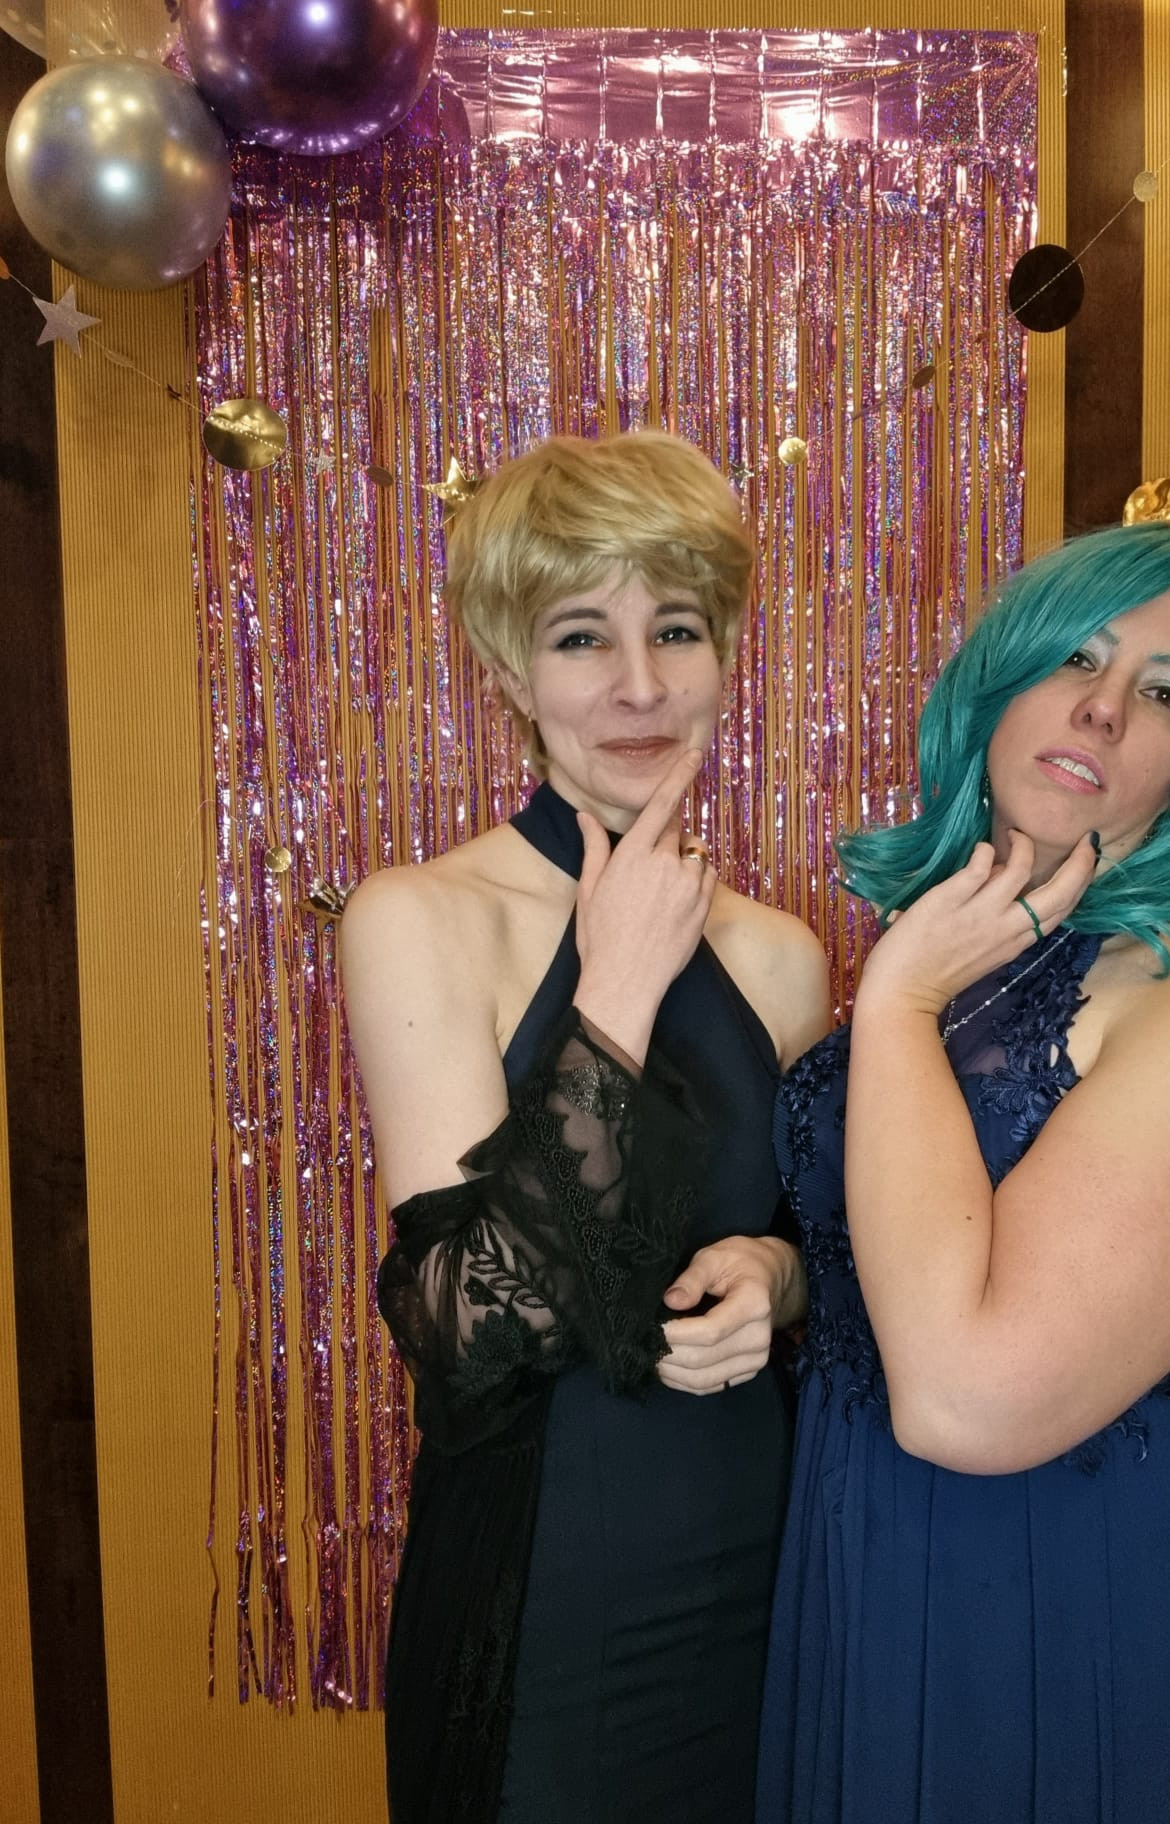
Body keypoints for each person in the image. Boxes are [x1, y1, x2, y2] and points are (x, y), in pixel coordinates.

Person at [757, 522, 1170, 1823]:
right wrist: (780, 1277)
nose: (1104, 705)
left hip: (1113, 1601)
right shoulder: (959, 947)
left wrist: (899, 1005)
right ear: (1001, 675)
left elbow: (967, 1399)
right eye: (1078, 656)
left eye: (1168, 694)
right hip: (879, 1563)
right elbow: (893, 1254)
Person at [340, 429, 830, 1824]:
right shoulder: (418, 917)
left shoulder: (782, 957)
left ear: (723, 654)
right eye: (579, 637)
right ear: (510, 673)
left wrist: (782, 1277)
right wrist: (615, 989)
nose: (640, 684)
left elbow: (836, 1263)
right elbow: (467, 1334)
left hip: (767, 1569)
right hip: (547, 1595)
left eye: (675, 628)